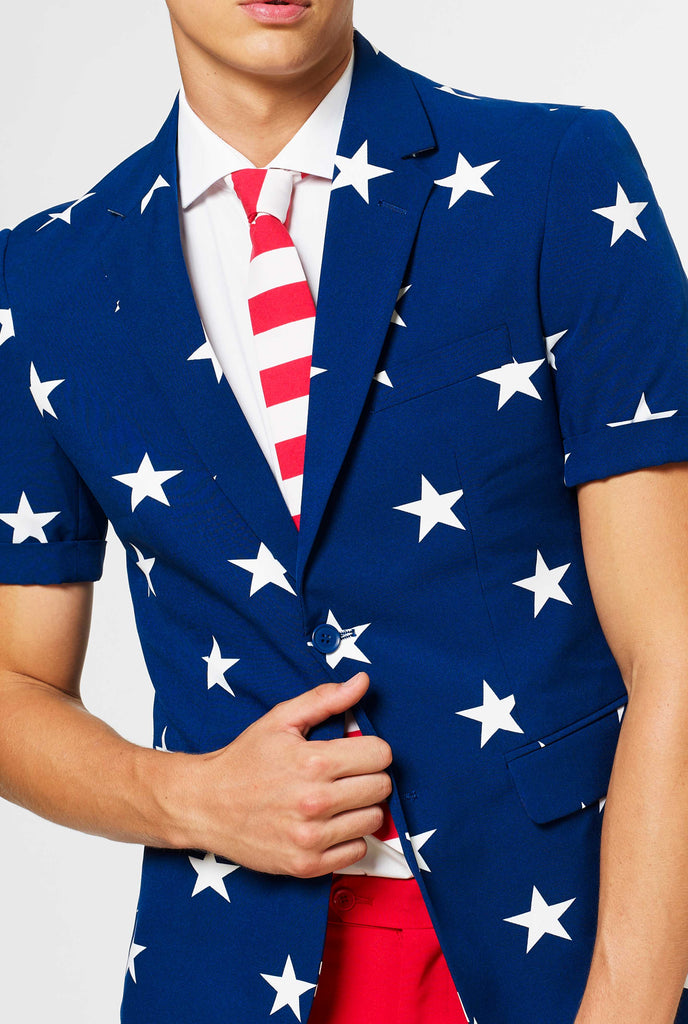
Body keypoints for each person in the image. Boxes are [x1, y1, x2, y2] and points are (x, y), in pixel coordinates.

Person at [1, 1, 688, 1021]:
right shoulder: (43, 284)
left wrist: (626, 1004)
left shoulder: (555, 175)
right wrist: (191, 798)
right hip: (231, 965)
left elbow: (673, 639)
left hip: (549, 949)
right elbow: (15, 681)